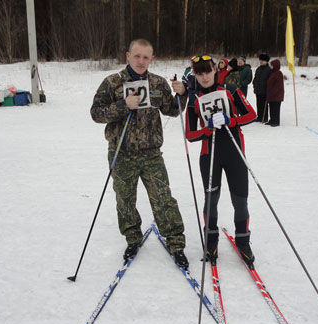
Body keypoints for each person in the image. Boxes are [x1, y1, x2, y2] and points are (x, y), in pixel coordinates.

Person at [90, 38, 189, 268]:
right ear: (128, 56)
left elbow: (172, 110)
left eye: (146, 57)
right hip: (121, 153)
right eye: (137, 56)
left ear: (152, 59)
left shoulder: (158, 83)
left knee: (164, 199)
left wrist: (182, 94)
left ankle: (176, 243)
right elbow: (96, 113)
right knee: (125, 201)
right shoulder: (112, 82)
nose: (141, 61)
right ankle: (132, 238)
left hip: (151, 153)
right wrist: (124, 105)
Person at [172, 55, 257, 268]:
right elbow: (191, 135)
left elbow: (251, 114)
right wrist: (207, 130)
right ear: (195, 75)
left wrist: (232, 121)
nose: (204, 76)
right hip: (209, 156)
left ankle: (243, 241)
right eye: (199, 73)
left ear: (215, 69)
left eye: (207, 71)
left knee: (240, 201)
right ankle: (211, 242)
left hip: (235, 153)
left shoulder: (230, 89)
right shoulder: (194, 98)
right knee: (211, 201)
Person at [252, 53, 271, 123]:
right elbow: (255, 77)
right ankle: (259, 116)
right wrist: (254, 83)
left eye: (263, 60)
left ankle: (264, 117)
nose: (261, 61)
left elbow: (269, 80)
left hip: (264, 90)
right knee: (258, 104)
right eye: (260, 60)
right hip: (258, 90)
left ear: (266, 61)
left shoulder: (268, 69)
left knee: (264, 105)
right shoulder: (258, 69)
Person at [266, 59, 284, 127]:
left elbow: (278, 85)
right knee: (271, 107)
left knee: (276, 108)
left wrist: (273, 92)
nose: (270, 66)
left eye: (272, 65)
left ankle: (276, 121)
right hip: (271, 95)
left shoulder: (278, 73)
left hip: (277, 95)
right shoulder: (272, 73)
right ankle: (272, 120)